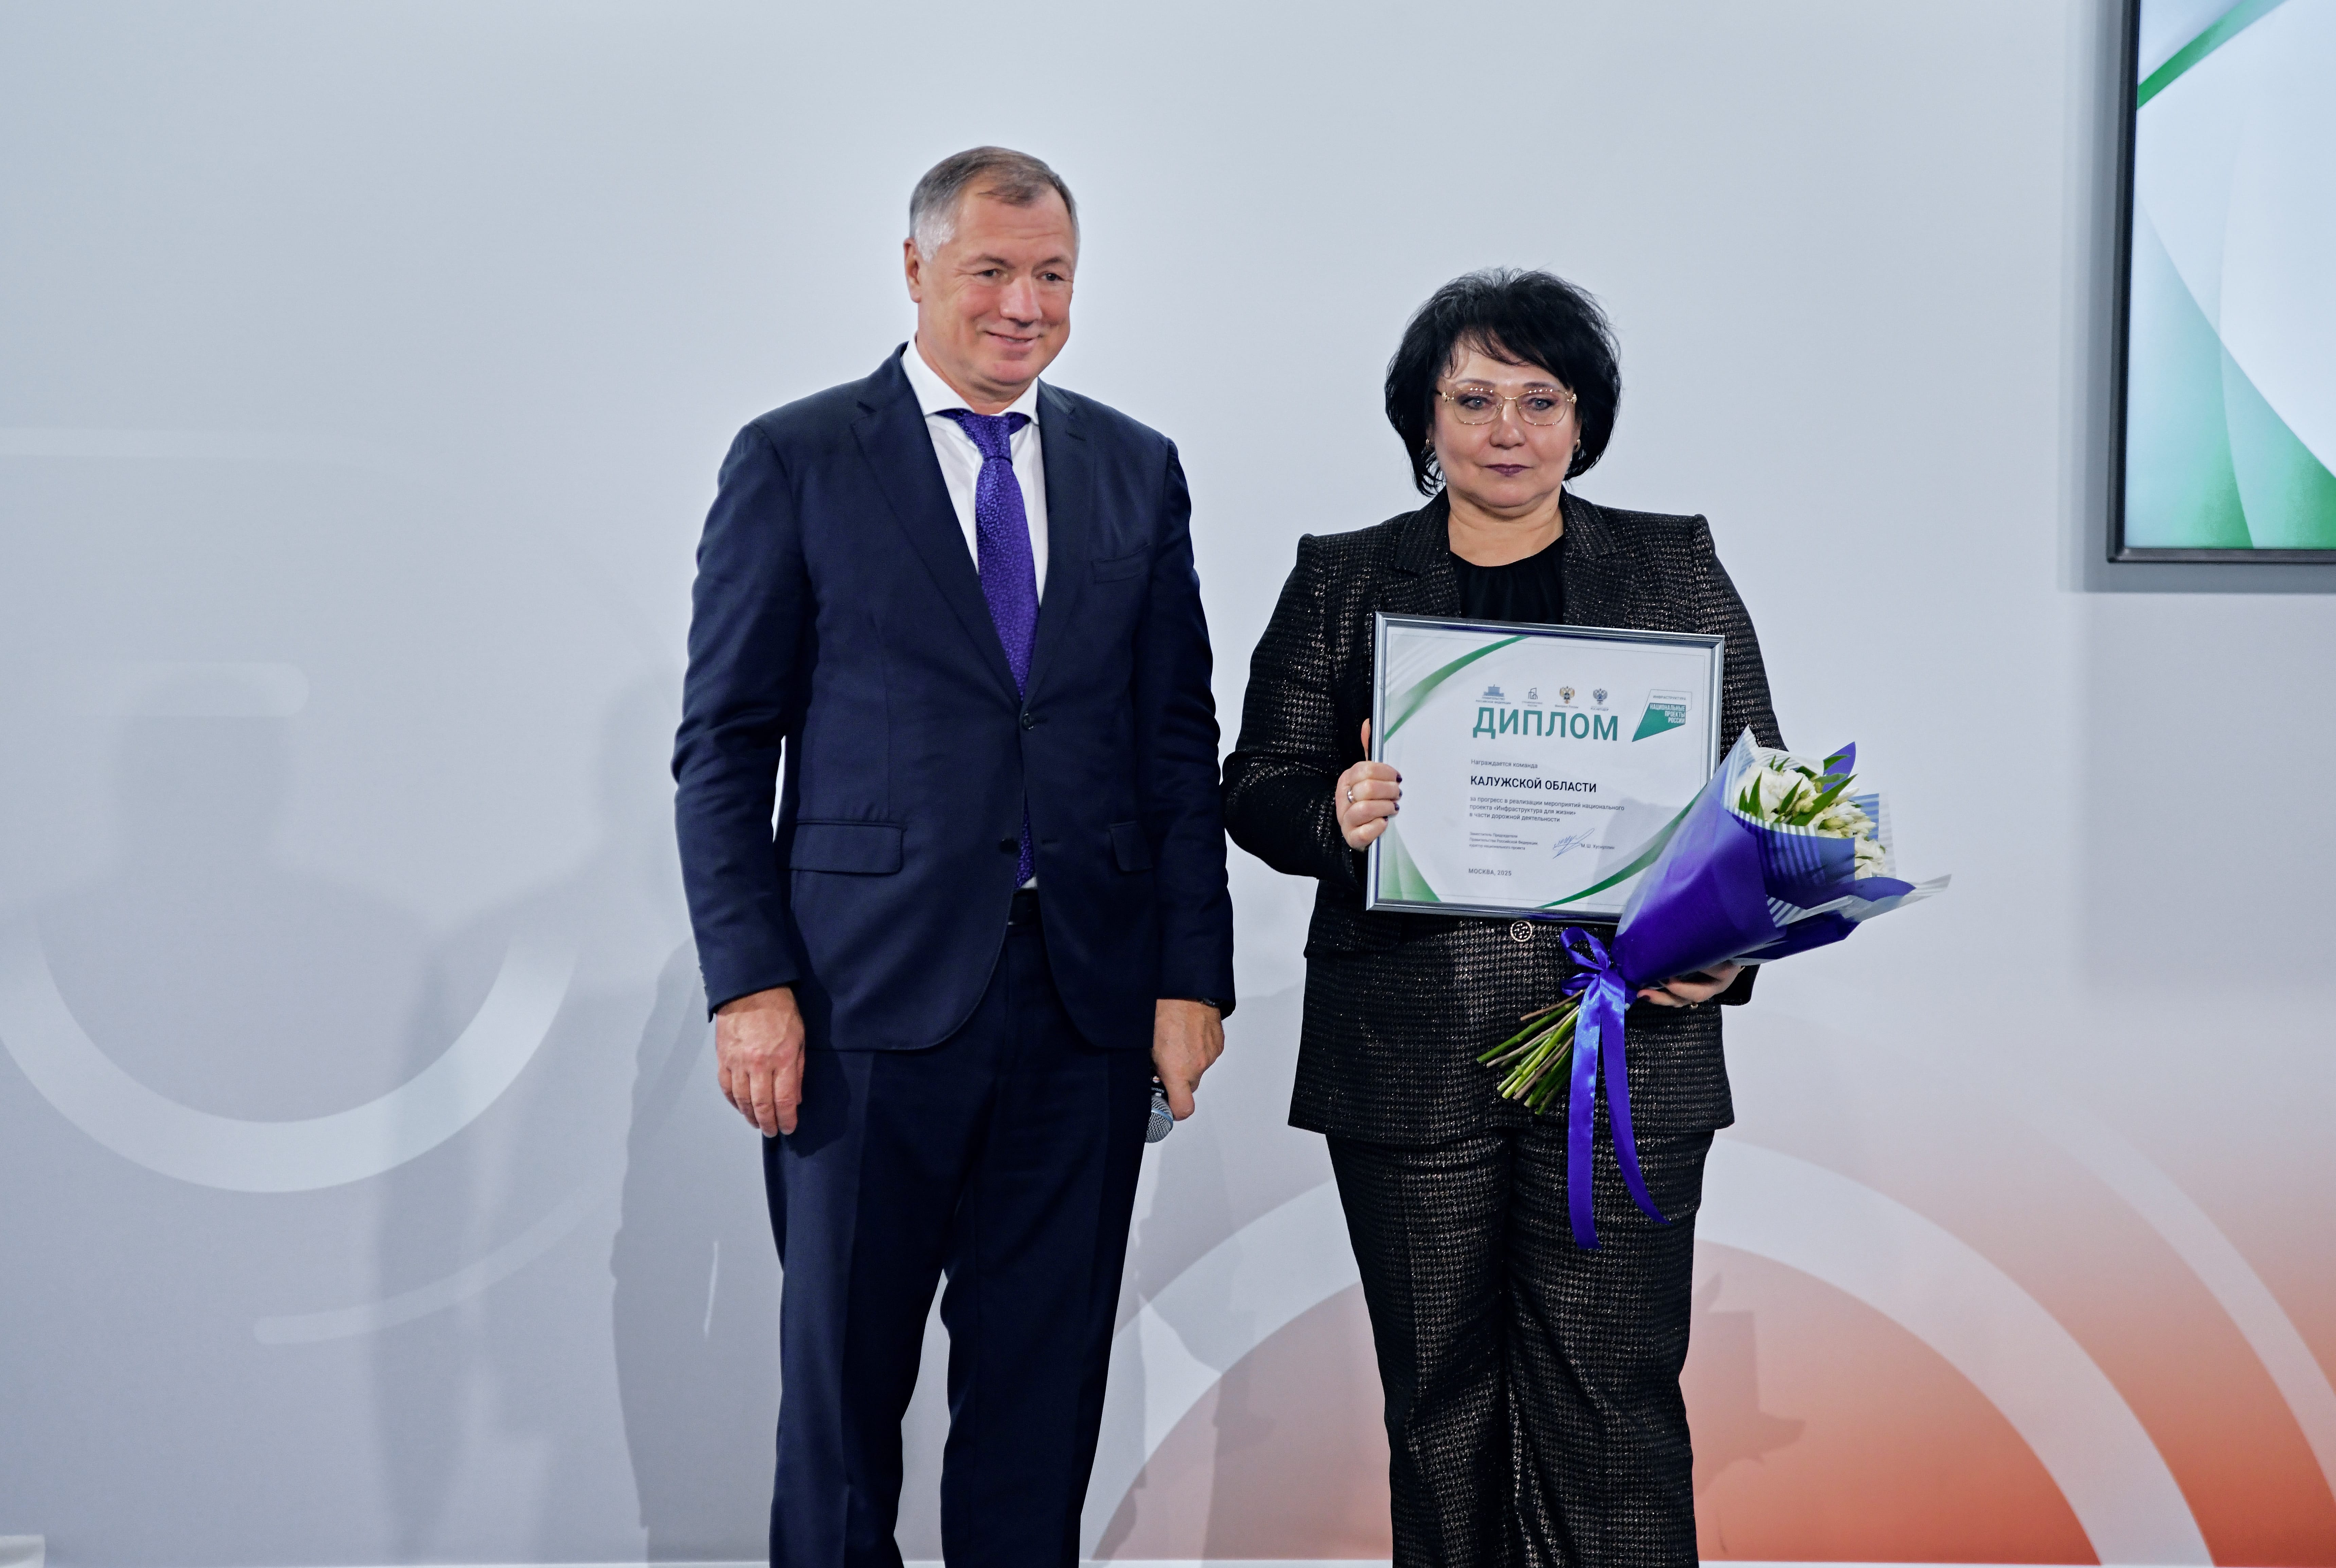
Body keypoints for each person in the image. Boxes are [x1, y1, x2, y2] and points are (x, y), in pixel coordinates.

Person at [673, 146, 1234, 1568]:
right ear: (916, 268)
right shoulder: (798, 457)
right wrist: (749, 984)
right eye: (991, 270)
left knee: (1042, 1405)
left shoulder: (1135, 467)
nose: (1022, 305)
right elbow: (725, 747)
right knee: (841, 1404)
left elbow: (1176, 743)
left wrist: (1190, 979)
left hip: (1083, 1004)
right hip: (860, 1006)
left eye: (1051, 275)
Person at [1222, 268, 1782, 1567]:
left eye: (1540, 399)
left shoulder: (1672, 566)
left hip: (1627, 1049)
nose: (1507, 430)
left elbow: (1760, 801)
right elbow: (1254, 784)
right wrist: (1334, 811)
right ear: (1425, 420)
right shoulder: (1341, 578)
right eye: (1473, 400)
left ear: (1583, 421)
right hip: (1407, 1054)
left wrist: (1718, 955)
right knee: (1439, 1409)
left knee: (1614, 1409)